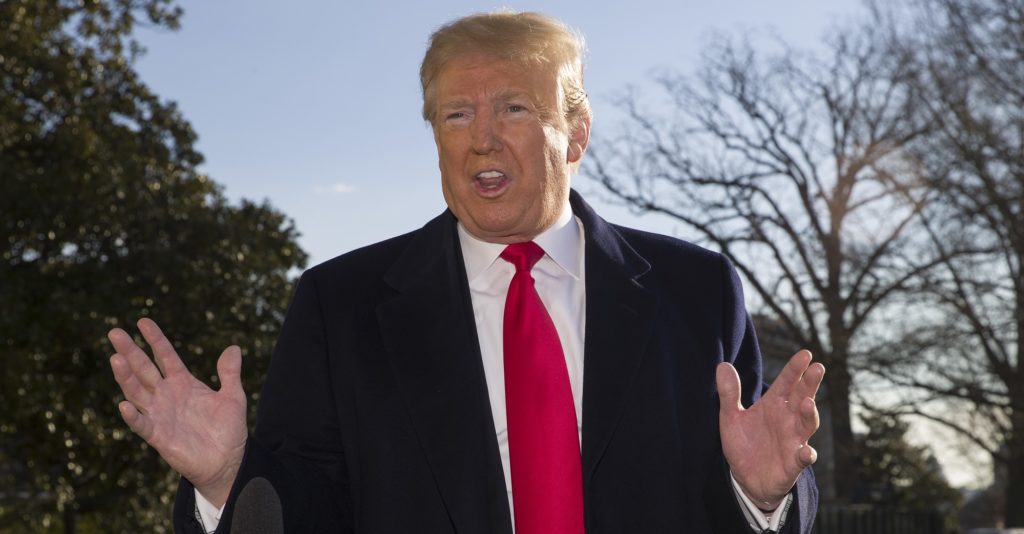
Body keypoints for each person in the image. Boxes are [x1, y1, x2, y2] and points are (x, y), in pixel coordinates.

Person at [108, 10, 823, 534]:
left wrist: (760, 497)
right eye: (455, 114)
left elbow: (753, 481)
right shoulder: (340, 305)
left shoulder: (696, 291)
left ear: (575, 132)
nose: (480, 136)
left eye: (512, 107)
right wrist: (228, 477)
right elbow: (306, 513)